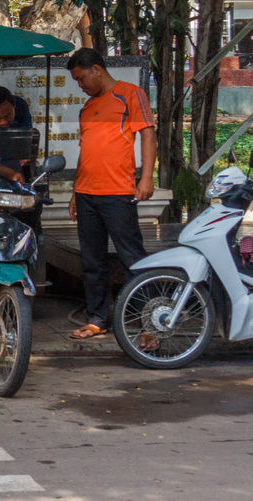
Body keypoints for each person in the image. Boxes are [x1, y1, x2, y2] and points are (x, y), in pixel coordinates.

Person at [66, 48, 155, 340]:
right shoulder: (87, 108)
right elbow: (85, 151)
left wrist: (146, 178)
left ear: (97, 70)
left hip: (118, 192)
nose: (80, 85)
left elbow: (147, 133)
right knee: (92, 261)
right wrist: (74, 192)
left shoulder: (129, 94)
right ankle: (97, 320)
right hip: (86, 193)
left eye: (81, 78)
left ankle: (148, 325)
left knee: (133, 258)